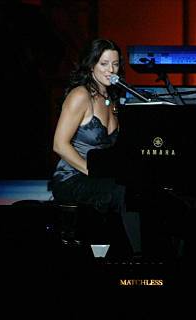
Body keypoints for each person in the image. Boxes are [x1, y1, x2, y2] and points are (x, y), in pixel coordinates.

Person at [50, 38, 138, 257]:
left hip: (102, 175)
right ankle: (136, 257)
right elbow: (59, 144)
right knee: (124, 192)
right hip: (73, 177)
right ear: (91, 65)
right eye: (104, 64)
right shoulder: (80, 95)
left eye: (115, 64)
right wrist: (91, 170)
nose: (111, 70)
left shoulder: (113, 98)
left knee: (142, 188)